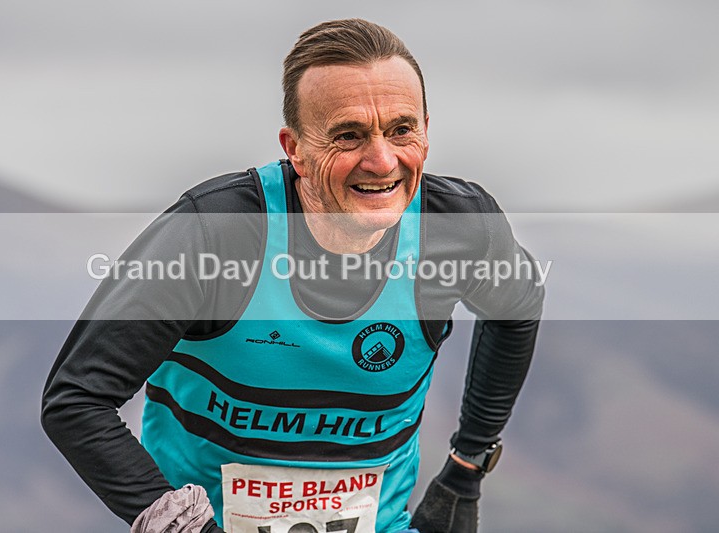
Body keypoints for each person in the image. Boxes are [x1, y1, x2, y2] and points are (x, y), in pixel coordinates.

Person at [42, 18, 543, 533]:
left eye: (401, 129)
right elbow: (76, 399)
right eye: (349, 135)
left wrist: (467, 466)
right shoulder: (216, 233)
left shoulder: (458, 230)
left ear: (426, 130)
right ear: (295, 148)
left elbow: (519, 308)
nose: (382, 160)